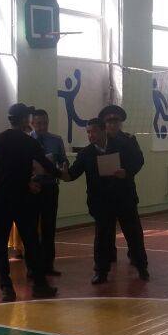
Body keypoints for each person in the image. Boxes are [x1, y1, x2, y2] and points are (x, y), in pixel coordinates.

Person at [63, 117, 149, 284]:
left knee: (134, 234)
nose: (91, 135)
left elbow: (138, 161)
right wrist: (63, 174)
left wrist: (126, 172)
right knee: (102, 237)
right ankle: (101, 271)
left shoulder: (122, 146)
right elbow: (72, 174)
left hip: (124, 198)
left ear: (104, 131)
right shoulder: (86, 153)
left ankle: (142, 267)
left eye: (94, 131)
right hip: (101, 202)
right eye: (88, 132)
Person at [0, 103, 60, 301]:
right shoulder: (29, 142)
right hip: (23, 198)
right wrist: (62, 174)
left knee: (0, 243)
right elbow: (46, 164)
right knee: (31, 242)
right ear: (23, 120)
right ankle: (39, 284)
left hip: (2, 198)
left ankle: (6, 287)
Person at [99, 104, 147, 269]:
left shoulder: (129, 140)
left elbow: (139, 160)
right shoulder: (99, 140)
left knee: (132, 229)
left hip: (125, 191)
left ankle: (137, 258)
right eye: (108, 121)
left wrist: (127, 172)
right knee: (105, 230)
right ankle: (107, 257)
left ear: (120, 122)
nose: (112, 124)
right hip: (105, 193)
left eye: (115, 121)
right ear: (104, 123)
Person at [30, 109, 66, 277]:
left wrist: (61, 167)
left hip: (50, 187)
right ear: (32, 123)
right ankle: (32, 266)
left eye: (45, 123)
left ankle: (48, 264)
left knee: (49, 227)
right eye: (38, 123)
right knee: (31, 228)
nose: (42, 126)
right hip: (31, 188)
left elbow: (63, 161)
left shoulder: (56, 140)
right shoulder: (26, 140)